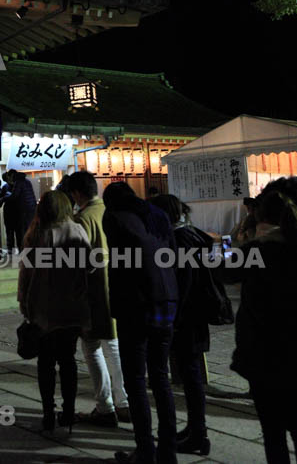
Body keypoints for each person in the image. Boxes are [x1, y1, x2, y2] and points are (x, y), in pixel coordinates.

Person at [232, 189, 297, 464]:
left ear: (261, 217)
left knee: (273, 430)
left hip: (263, 350)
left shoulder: (259, 250)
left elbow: (223, 272)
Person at [103, 181, 179, 464]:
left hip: (136, 304)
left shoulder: (113, 217)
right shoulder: (156, 214)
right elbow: (170, 255)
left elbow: (121, 264)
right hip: (167, 301)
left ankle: (146, 450)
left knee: (136, 381)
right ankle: (168, 451)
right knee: (161, 378)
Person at [19, 190, 91, 432]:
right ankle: (69, 412)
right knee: (68, 362)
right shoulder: (77, 230)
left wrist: (25, 304)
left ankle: (48, 412)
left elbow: (26, 276)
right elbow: (89, 267)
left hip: (43, 310)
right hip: (71, 308)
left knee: (46, 363)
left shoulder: (37, 234)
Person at [65, 170, 130, 428]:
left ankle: (105, 406)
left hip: (94, 293)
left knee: (91, 347)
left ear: (77, 194)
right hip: (117, 288)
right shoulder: (111, 212)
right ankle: (124, 403)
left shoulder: (82, 220)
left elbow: (76, 263)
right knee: (114, 346)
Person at [151, 194, 212, 456]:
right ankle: (196, 429)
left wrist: (172, 319)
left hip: (185, 318)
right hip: (194, 316)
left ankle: (198, 433)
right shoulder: (191, 235)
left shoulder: (179, 241)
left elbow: (182, 284)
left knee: (190, 376)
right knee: (191, 376)